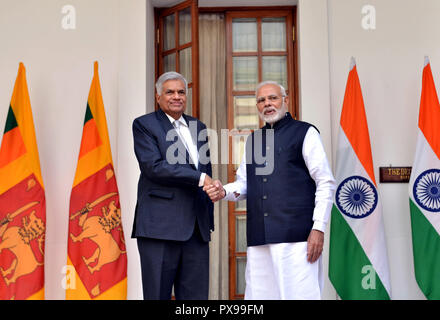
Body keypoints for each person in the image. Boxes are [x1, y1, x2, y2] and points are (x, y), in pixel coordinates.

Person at [204, 81, 336, 300]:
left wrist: (319, 229)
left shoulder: (306, 132)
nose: (267, 104)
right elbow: (244, 184)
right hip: (259, 240)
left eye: (273, 98)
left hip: (297, 239)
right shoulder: (253, 140)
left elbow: (325, 182)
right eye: (261, 100)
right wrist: (223, 191)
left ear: (286, 100)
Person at [132, 71, 214, 300]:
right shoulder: (144, 125)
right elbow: (154, 167)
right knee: (157, 294)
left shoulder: (199, 127)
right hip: (160, 228)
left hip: (197, 231)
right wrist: (200, 179)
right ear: (158, 97)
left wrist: (211, 195)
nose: (176, 96)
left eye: (181, 92)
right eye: (170, 92)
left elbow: (205, 170)